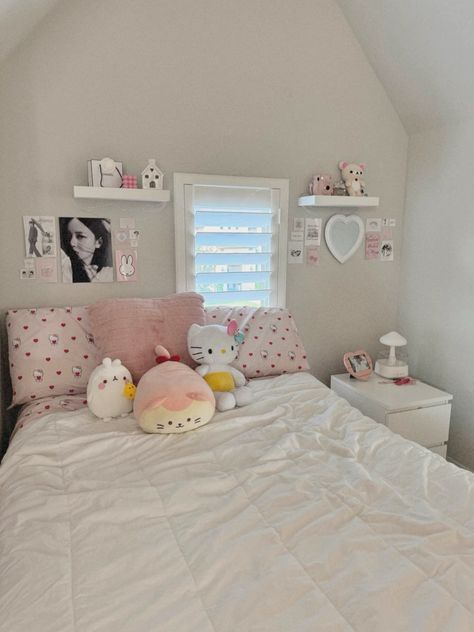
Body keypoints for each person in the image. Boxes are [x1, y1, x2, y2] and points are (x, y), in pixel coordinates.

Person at [60, 217, 113, 283]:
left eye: (80, 236)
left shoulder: (109, 274)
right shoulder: (64, 266)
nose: (71, 242)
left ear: (98, 242)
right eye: (69, 236)